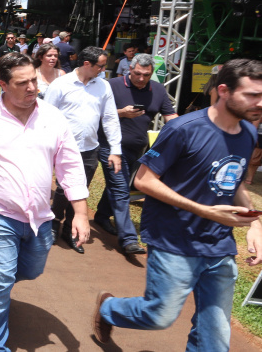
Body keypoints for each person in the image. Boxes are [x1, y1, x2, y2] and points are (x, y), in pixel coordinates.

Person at [94, 58, 262, 350]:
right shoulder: (184, 129)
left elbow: (233, 181)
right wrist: (203, 210)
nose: (259, 103)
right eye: (252, 95)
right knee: (159, 316)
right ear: (223, 90)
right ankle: (109, 309)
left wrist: (255, 223)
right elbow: (144, 181)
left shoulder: (248, 133)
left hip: (218, 246)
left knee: (214, 337)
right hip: (173, 240)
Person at [0, 52, 89, 352]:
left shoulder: (53, 118)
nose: (32, 88)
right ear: (2, 84)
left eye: (34, 80)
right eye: (22, 83)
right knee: (0, 281)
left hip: (40, 217)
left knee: (30, 270)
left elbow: (70, 166)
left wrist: (80, 213)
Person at [94, 53, 177, 255]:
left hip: (136, 149)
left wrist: (187, 131)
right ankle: (129, 239)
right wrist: (121, 112)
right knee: (122, 189)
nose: (141, 78)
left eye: (146, 75)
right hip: (110, 146)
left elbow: (171, 116)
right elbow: (94, 112)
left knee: (117, 184)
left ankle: (102, 215)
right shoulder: (111, 85)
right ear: (129, 69)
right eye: (137, 73)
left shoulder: (157, 89)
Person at [44, 46, 122, 254]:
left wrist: (115, 149)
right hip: (64, 148)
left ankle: (70, 229)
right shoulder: (61, 84)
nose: (103, 70)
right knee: (63, 188)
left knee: (81, 190)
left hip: (90, 149)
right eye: (101, 66)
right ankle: (53, 223)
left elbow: (111, 118)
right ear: (87, 64)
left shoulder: (103, 86)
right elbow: (46, 115)